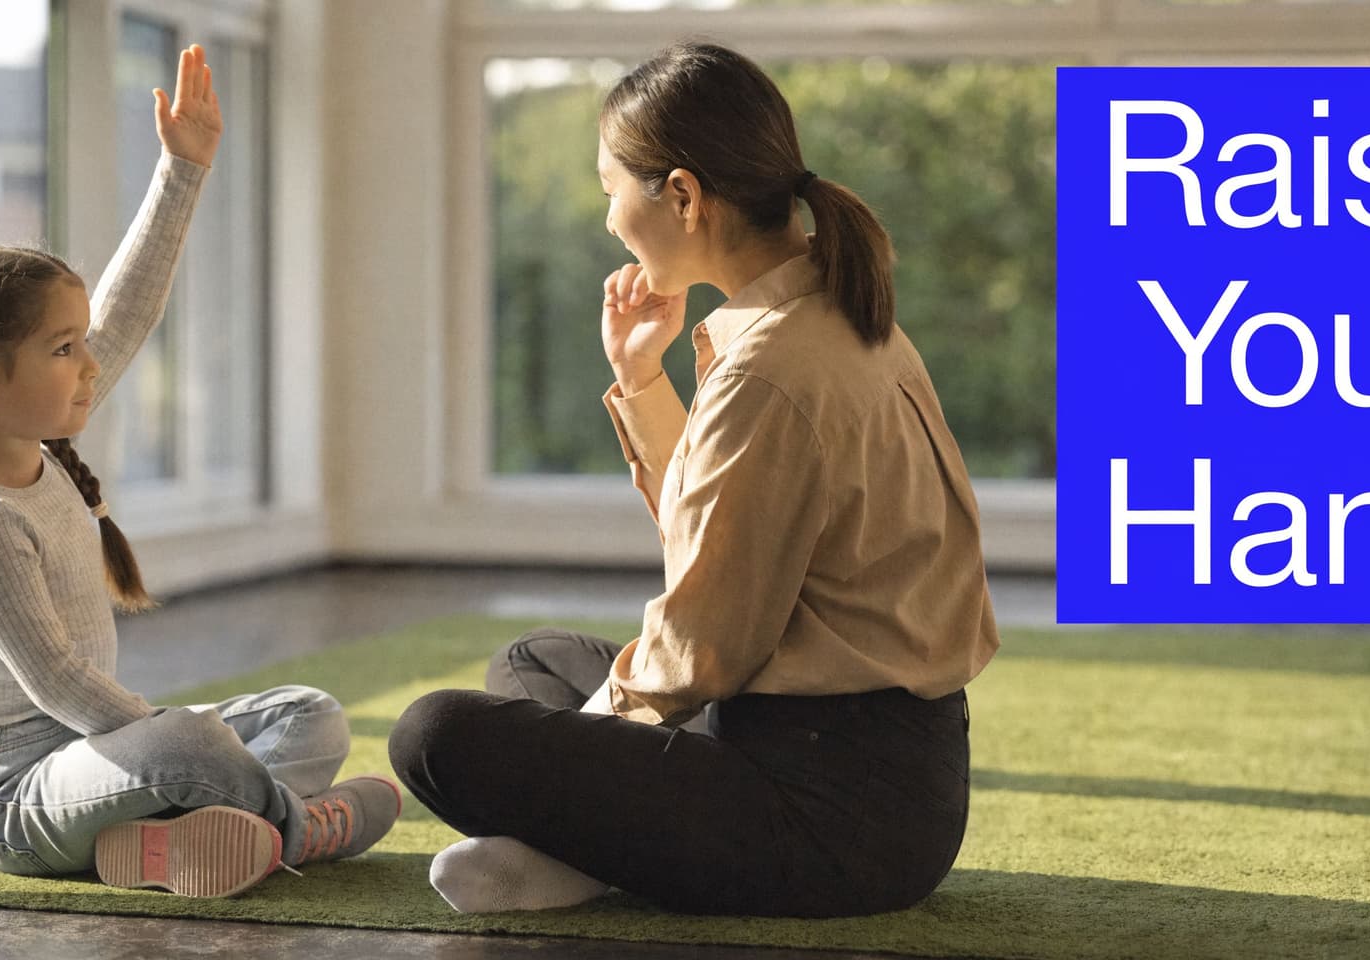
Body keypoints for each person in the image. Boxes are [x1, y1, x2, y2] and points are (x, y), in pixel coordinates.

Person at [389, 39, 999, 917]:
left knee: (435, 734)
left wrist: (581, 751)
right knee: (532, 661)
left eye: (611, 191)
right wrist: (642, 377)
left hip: (832, 817)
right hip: (867, 769)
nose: (608, 221)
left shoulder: (771, 370)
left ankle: (575, 848)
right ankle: (584, 846)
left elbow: (705, 645)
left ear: (681, 194)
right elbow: (724, 540)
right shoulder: (826, 318)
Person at [0, 44, 397, 898]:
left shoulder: (44, 446)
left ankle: (167, 839)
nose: (90, 365)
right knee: (190, 745)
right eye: (64, 350)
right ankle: (296, 829)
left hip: (90, 759)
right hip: (14, 797)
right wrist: (179, 740)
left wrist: (182, 169)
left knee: (308, 713)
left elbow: (126, 311)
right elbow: (58, 682)